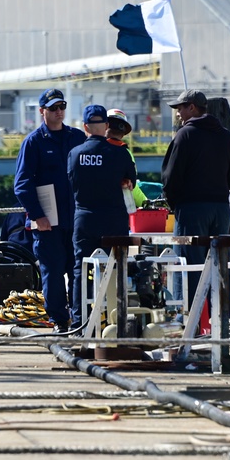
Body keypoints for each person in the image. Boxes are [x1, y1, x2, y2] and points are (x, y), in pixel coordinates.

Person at [13, 88, 86, 333]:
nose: (58, 112)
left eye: (62, 107)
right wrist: (37, 215)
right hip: (48, 223)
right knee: (53, 273)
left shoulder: (77, 137)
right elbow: (22, 184)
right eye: (53, 108)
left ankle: (79, 319)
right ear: (42, 111)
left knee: (77, 272)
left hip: (75, 221)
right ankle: (58, 320)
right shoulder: (33, 142)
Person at [161, 89, 230, 308]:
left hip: (191, 210)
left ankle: (189, 323)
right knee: (221, 265)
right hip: (221, 209)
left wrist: (176, 204)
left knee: (188, 267)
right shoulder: (226, 136)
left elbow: (170, 177)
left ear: (192, 107)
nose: (178, 113)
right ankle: (222, 321)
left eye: (180, 108)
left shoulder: (184, 135)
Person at [68, 105, 137, 332]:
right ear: (106, 126)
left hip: (85, 218)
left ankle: (80, 323)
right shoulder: (121, 153)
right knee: (115, 270)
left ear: (85, 127)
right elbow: (131, 182)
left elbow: (72, 183)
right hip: (114, 220)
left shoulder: (74, 153)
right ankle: (115, 321)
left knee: (81, 270)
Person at [107, 108, 148, 209]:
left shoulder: (89, 148)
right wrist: (146, 204)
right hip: (117, 212)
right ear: (123, 133)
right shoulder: (125, 153)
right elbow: (132, 187)